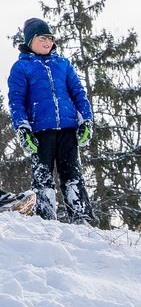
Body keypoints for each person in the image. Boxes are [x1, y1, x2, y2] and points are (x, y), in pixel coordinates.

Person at [7, 18, 95, 223]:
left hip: (68, 128)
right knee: (43, 177)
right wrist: (22, 128)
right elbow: (16, 101)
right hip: (40, 131)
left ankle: (82, 217)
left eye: (50, 38)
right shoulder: (21, 68)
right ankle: (45, 219)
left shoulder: (63, 64)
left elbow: (78, 93)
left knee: (73, 174)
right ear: (30, 41)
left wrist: (86, 121)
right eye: (42, 38)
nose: (47, 42)